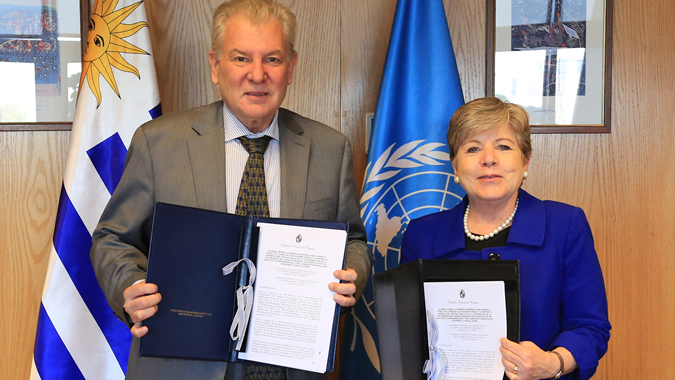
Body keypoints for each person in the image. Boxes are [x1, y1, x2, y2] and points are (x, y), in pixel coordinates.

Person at [90, 1, 373, 379]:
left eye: (272, 59)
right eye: (241, 58)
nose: (257, 75)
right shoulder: (159, 143)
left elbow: (353, 241)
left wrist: (352, 273)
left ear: (291, 67)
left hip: (291, 363)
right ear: (215, 65)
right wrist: (132, 286)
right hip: (180, 365)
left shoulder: (329, 149)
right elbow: (112, 239)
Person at [400, 97, 610, 380]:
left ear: (525, 161)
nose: (489, 158)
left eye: (503, 146)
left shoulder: (565, 225)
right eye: (473, 148)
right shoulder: (421, 235)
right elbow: (408, 335)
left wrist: (552, 363)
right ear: (455, 167)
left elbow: (590, 327)